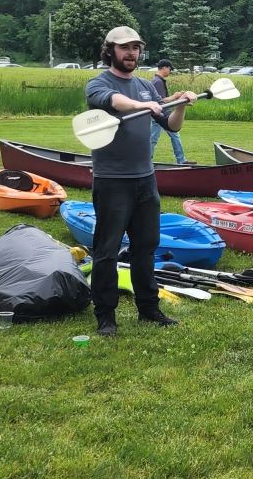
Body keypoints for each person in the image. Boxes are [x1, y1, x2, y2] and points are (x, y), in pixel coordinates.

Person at [83, 26, 195, 336]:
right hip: (112, 181)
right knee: (106, 249)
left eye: (135, 47)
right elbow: (112, 100)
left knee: (146, 246)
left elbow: (172, 126)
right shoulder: (98, 83)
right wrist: (140, 105)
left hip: (145, 180)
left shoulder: (147, 86)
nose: (131, 52)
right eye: (124, 47)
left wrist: (181, 104)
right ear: (111, 51)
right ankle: (105, 315)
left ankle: (149, 308)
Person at [147, 59, 189, 164]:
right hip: (160, 115)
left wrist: (175, 96)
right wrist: (175, 97)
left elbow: (162, 99)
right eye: (169, 69)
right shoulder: (157, 82)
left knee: (169, 136)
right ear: (164, 68)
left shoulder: (158, 80)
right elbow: (160, 100)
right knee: (154, 139)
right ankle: (147, 160)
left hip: (161, 114)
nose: (169, 72)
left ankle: (181, 160)